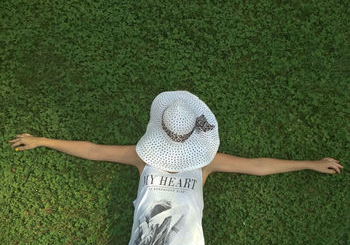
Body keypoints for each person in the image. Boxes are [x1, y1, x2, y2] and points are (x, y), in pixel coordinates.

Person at [9, 90, 344, 245]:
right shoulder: (143, 156)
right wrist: (43, 140)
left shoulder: (204, 163)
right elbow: (94, 151)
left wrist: (311, 164)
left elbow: (257, 166)